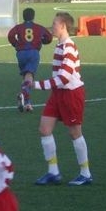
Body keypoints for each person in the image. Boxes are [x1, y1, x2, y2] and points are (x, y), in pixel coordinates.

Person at [25, 12, 93, 186]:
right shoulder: (59, 45)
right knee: (44, 129)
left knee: (75, 133)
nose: (52, 26)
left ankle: (85, 174)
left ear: (63, 26)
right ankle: (53, 172)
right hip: (58, 93)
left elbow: (64, 78)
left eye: (54, 23)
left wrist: (36, 85)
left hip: (71, 93)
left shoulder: (68, 47)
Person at [8, 7, 53, 113]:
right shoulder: (39, 27)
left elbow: (10, 35)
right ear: (33, 16)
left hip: (21, 54)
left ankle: (27, 103)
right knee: (29, 75)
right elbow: (49, 37)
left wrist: (16, 44)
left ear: (23, 16)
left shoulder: (19, 27)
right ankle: (23, 94)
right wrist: (43, 41)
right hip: (33, 53)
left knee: (26, 76)